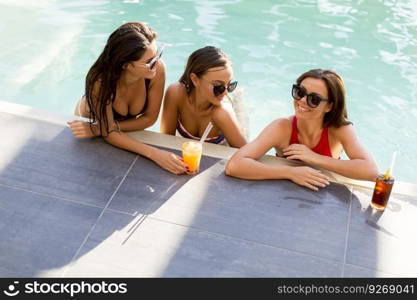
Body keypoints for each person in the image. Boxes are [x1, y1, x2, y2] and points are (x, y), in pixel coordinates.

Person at [225, 69, 378, 191]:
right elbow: (235, 165)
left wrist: (314, 158)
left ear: (329, 106)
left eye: (314, 99)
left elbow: (371, 171)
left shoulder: (340, 129)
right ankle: (238, 102)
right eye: (300, 92)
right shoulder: (281, 127)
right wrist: (289, 173)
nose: (302, 101)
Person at [67, 22, 187, 175]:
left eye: (158, 54)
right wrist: (156, 154)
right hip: (89, 120)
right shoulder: (100, 82)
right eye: (149, 62)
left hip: (101, 126)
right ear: (126, 65)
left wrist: (101, 129)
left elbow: (149, 119)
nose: (156, 63)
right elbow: (109, 134)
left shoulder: (156, 71)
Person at [160, 46, 247, 148]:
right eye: (218, 87)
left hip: (233, 123)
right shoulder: (175, 94)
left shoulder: (222, 113)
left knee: (239, 111)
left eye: (230, 85)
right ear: (195, 79)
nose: (225, 93)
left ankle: (238, 97)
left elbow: (245, 153)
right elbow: (165, 139)